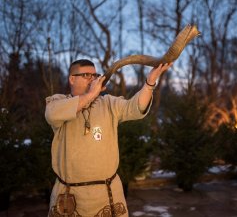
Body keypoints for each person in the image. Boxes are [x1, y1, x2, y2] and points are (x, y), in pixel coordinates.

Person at [45, 59, 172, 217]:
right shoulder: (58, 101)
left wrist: (150, 82)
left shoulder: (108, 103)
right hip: (69, 196)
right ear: (72, 79)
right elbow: (52, 114)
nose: (93, 79)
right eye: (86, 75)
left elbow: (135, 107)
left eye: (95, 75)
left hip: (107, 194)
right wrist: (90, 95)